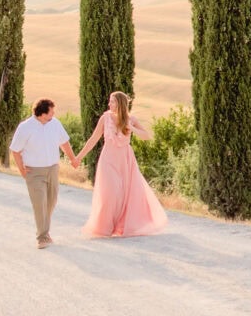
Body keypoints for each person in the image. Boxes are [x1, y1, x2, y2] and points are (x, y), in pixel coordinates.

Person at [73, 91, 167, 238]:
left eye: (112, 101)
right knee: (110, 192)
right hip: (108, 159)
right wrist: (78, 157)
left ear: (120, 103)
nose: (109, 104)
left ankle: (120, 226)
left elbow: (146, 136)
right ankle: (105, 227)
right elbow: (93, 139)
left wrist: (132, 128)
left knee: (125, 193)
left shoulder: (131, 119)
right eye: (109, 101)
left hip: (125, 160)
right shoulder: (105, 118)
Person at [10, 98, 78, 249]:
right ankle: (42, 237)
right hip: (34, 172)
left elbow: (64, 142)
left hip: (53, 169)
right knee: (39, 203)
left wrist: (72, 158)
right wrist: (22, 170)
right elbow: (15, 150)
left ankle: (44, 231)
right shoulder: (25, 127)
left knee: (51, 201)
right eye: (51, 112)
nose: (53, 114)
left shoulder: (55, 123)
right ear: (42, 113)